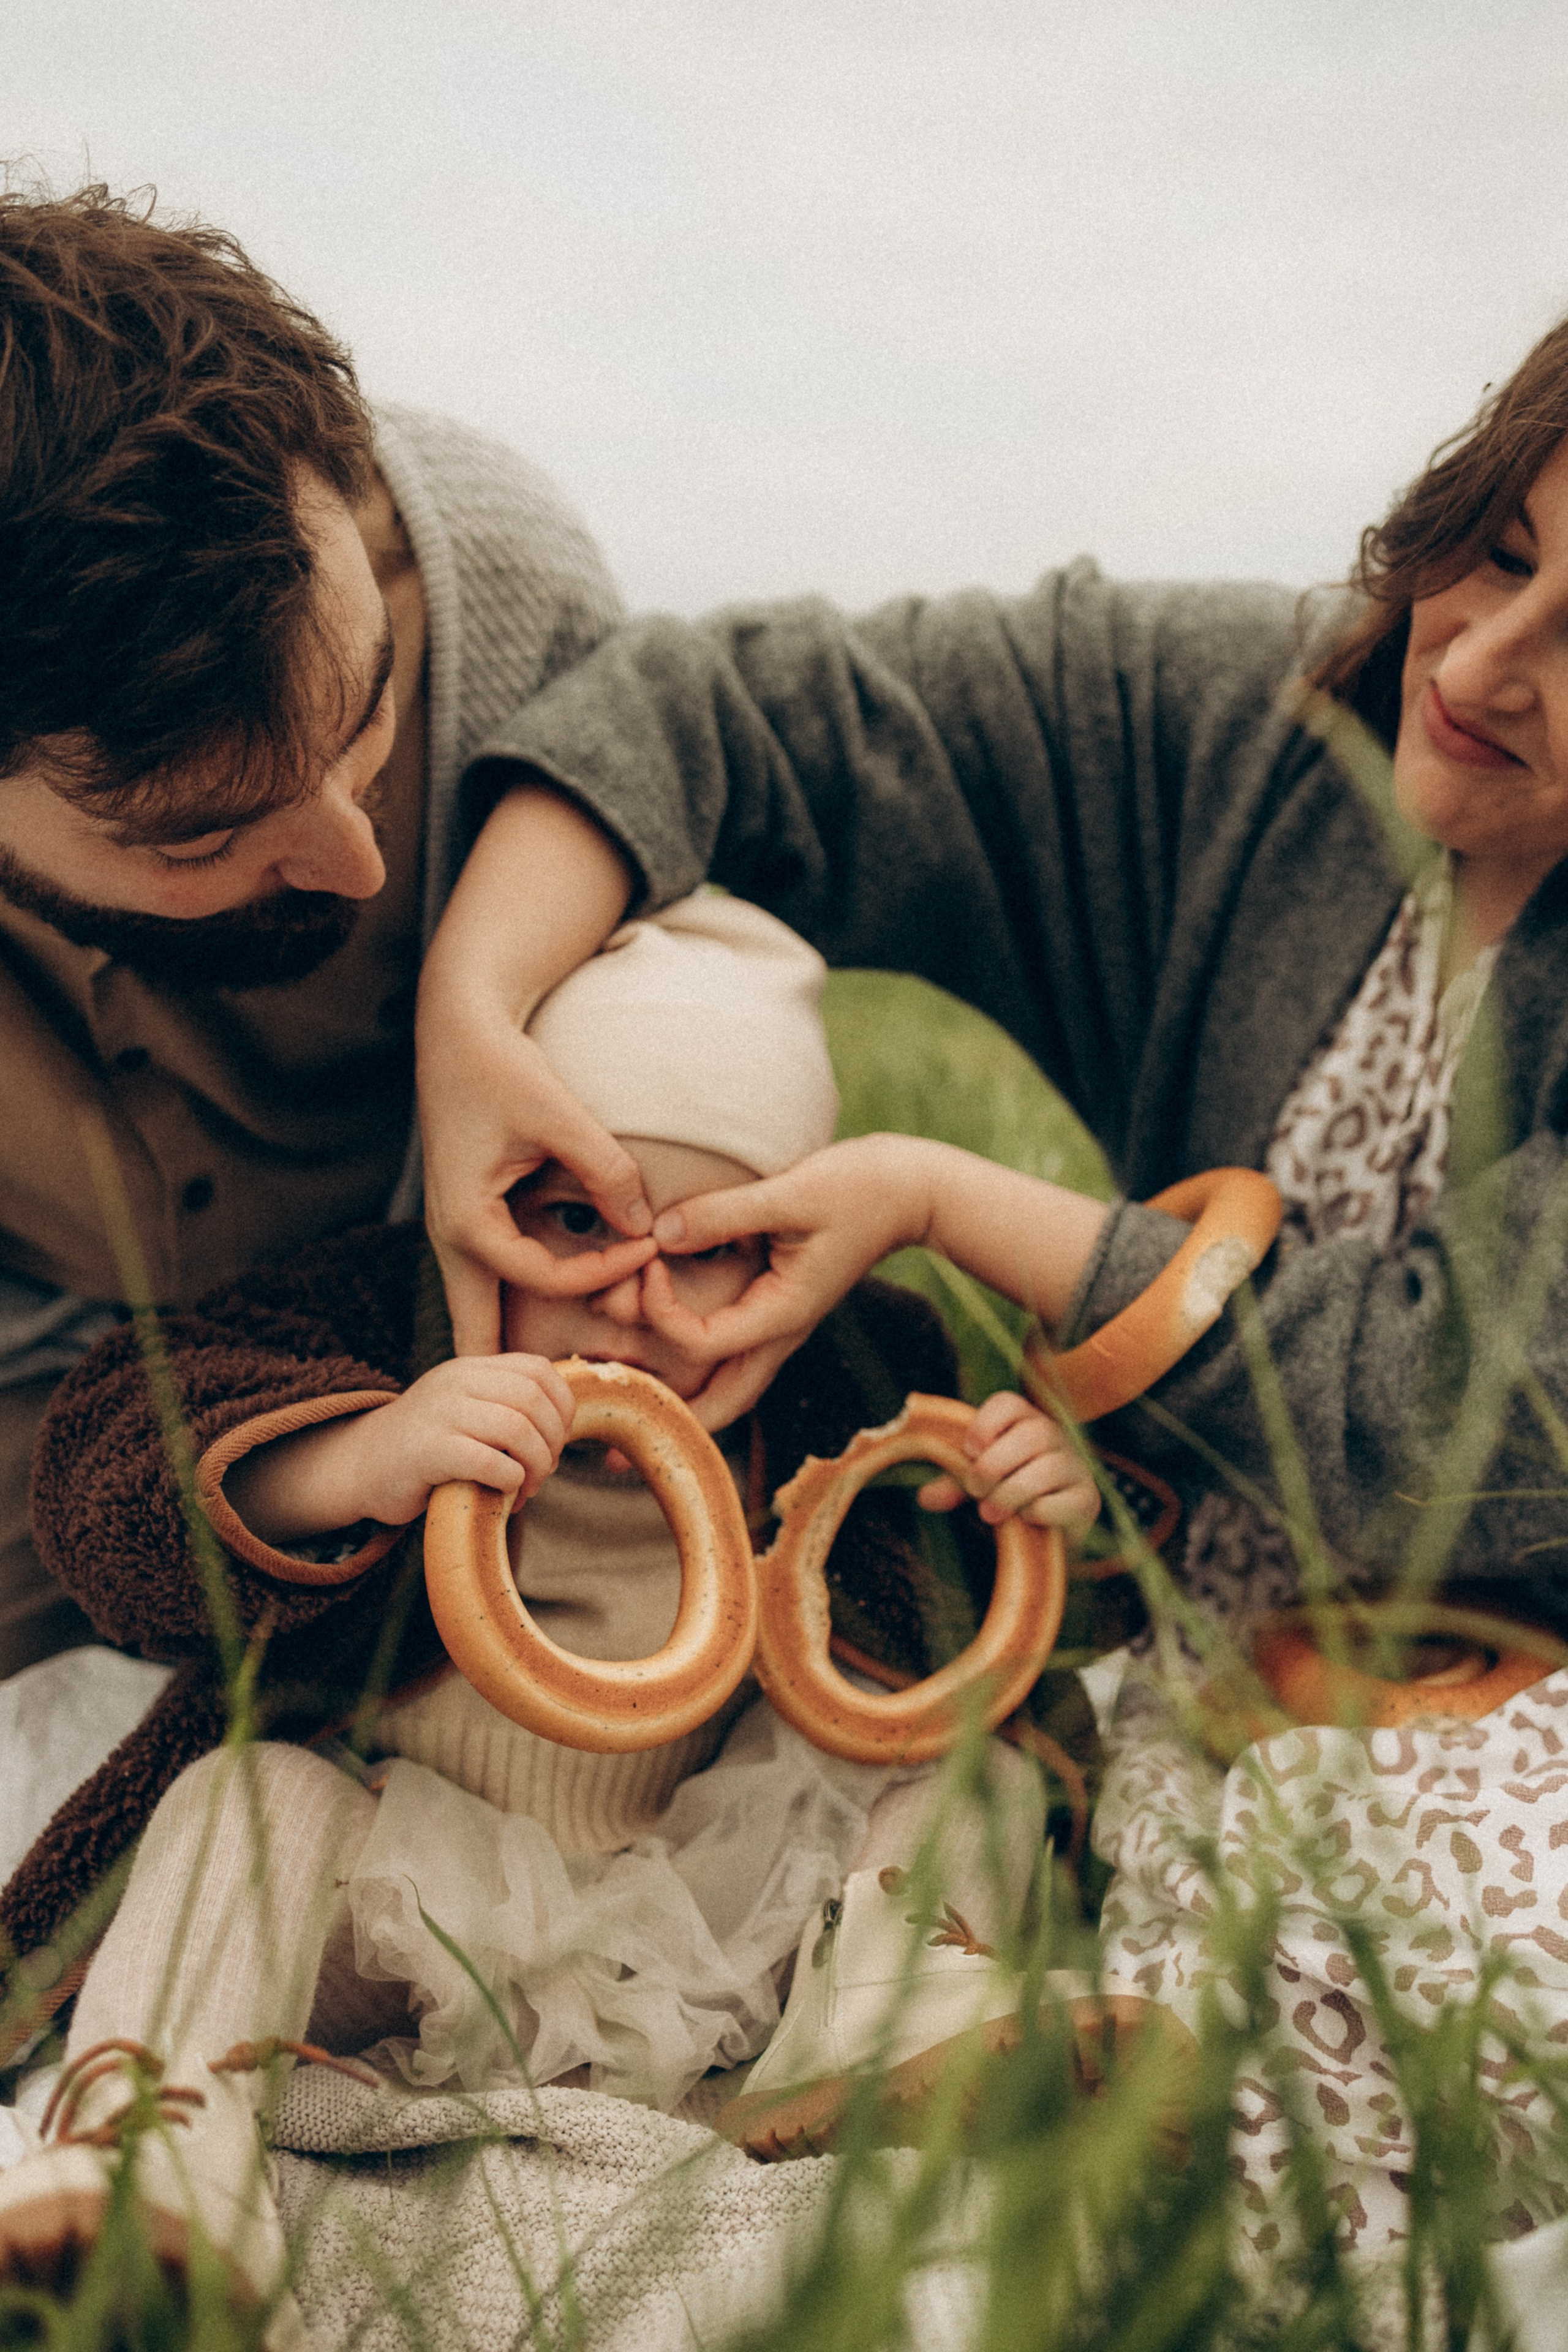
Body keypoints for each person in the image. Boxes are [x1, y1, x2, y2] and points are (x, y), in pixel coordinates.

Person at [396, 317, 1568, 2263]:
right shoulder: (1252, 727)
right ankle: (1054, 2099)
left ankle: (1100, 2120)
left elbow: (1449, 1410)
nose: (1479, 665)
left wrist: (948, 1200)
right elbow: (724, 706)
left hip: (1513, 1715)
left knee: (1468, 1936)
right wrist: (475, 1009)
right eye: (1503, 552)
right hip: (1202, 1685)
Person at [0, 892, 1108, 2323]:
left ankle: (895, 2029)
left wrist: (1025, 1505)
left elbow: (983, 1648)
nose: (631, 1302)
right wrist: (356, 1455)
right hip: (418, 1890)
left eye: (705, 1248)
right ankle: (151, 2166)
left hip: (732, 1905)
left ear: (793, 1257)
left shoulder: (851, 1369)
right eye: (572, 1221)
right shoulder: (390, 1318)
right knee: (241, 1799)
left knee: (972, 1781)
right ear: (484, 1206)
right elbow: (109, 1470)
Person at [0, 181, 665, 1679]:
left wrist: (473, 999)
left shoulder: (495, 578)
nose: (356, 864)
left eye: (367, 715)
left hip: (438, 1372)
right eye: (203, 835)